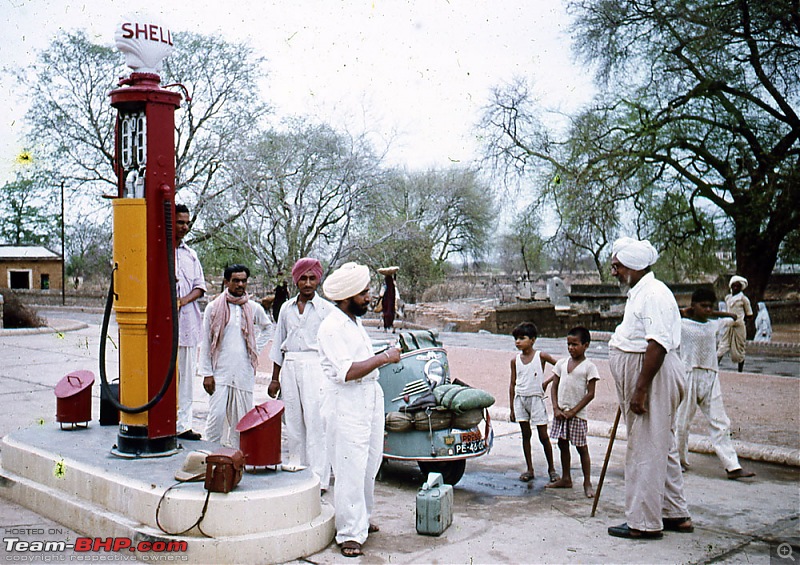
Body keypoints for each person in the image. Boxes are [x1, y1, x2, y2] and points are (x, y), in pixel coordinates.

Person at [607, 237, 692, 540]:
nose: (613, 272)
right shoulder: (641, 292)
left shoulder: (653, 294)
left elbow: (657, 344)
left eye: (616, 266)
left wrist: (639, 389)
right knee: (660, 444)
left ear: (633, 266)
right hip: (646, 372)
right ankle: (674, 512)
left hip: (652, 375)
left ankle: (642, 523)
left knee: (644, 447)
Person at [317, 262, 401, 558]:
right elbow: (348, 371)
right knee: (350, 467)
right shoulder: (331, 326)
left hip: (369, 398)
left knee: (369, 463)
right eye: (363, 293)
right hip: (347, 400)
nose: (369, 298)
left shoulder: (353, 322)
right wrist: (385, 358)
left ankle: (361, 520)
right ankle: (349, 534)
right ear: (347, 297)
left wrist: (382, 356)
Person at [268, 258, 336, 489]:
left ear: (318, 280)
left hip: (315, 366)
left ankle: (319, 479)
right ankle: (297, 470)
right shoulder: (286, 308)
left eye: (312, 278)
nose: (307, 283)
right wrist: (274, 378)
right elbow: (279, 342)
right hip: (290, 366)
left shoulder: (327, 310)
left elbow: (332, 346)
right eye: (303, 279)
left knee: (316, 423)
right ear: (296, 280)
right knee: (294, 422)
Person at [677, 287, 756, 480]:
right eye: (702, 306)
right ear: (693, 305)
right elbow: (668, 315)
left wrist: (713, 313)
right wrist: (685, 311)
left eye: (710, 307)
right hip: (688, 375)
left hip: (711, 376)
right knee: (681, 423)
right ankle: (678, 461)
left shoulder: (713, 325)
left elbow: (733, 317)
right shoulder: (681, 325)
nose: (707, 310)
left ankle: (732, 467)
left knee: (721, 422)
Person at [199, 265, 271, 448]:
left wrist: (254, 349)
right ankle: (211, 457)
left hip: (243, 371)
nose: (240, 284)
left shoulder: (253, 308)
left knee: (242, 418)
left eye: (243, 280)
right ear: (226, 282)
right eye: (236, 280)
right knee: (216, 417)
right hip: (219, 372)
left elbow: (267, 327)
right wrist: (207, 373)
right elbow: (207, 342)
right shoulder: (213, 308)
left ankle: (237, 459)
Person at [546, 326, 599, 498]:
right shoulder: (561, 364)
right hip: (561, 413)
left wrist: (574, 411)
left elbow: (590, 394)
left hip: (577, 415)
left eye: (575, 344)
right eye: (568, 344)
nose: (571, 348)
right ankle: (566, 477)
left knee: (581, 448)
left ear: (586, 345)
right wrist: (555, 408)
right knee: (562, 444)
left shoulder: (589, 367)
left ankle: (587, 482)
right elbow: (554, 387)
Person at [508, 321, 558, 484]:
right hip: (520, 399)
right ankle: (529, 469)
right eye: (516, 338)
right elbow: (512, 383)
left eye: (522, 338)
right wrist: (511, 408)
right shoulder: (515, 360)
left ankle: (551, 469)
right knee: (525, 435)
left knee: (543, 436)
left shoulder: (541, 356)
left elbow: (560, 368)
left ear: (533, 340)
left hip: (536, 399)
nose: (518, 341)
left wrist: (547, 382)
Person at [173, 204, 207, 441]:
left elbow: (200, 287)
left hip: (186, 326)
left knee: (185, 376)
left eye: (187, 223)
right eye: (180, 222)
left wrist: (181, 301)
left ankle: (183, 425)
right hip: (163, 328)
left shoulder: (190, 255)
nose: (184, 227)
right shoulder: (158, 249)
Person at [717, 275, 754, 372]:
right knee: (722, 347)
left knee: (739, 349)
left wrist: (742, 321)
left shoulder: (743, 299)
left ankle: (740, 371)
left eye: (738, 286)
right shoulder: (728, 298)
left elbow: (749, 314)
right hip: (728, 325)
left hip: (739, 327)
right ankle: (715, 367)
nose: (735, 288)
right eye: (734, 286)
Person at [377, 267, 400, 332]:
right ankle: (392, 326)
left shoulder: (385, 286)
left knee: (385, 315)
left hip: (386, 303)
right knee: (391, 315)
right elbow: (397, 296)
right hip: (392, 304)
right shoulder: (393, 287)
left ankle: (385, 328)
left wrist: (378, 301)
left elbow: (381, 294)